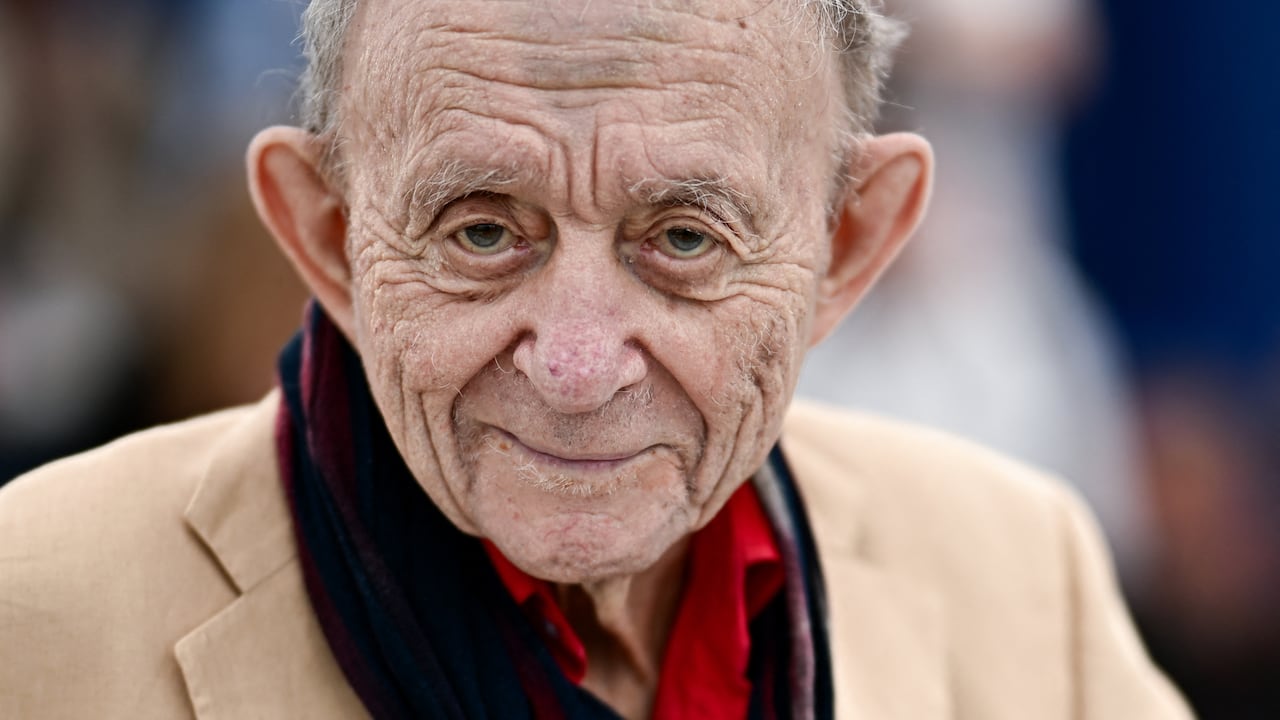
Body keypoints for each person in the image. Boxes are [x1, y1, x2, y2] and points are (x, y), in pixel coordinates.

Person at [0, 1, 1191, 718]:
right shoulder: (36, 613)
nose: (575, 367)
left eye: (681, 238)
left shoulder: (1023, 578)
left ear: (846, 245)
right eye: (479, 230)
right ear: (327, 235)